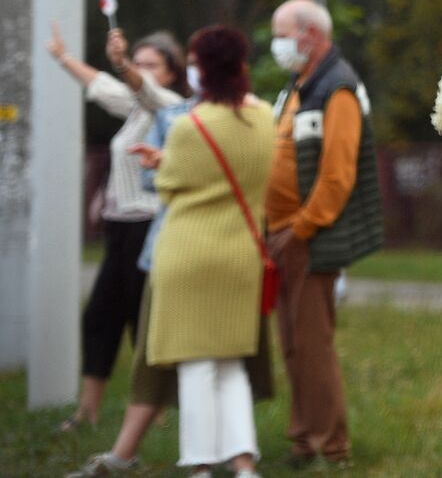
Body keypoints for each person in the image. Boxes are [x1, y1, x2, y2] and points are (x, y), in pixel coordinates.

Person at [146, 26, 274, 478]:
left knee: (196, 362)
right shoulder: (264, 120)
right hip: (241, 254)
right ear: (241, 66)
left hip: (189, 254)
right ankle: (243, 461)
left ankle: (200, 465)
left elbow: (167, 186)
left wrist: (160, 164)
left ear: (203, 69)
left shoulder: (188, 127)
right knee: (230, 358)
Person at [46, 24, 187, 431]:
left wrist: (124, 63)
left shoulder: (169, 105)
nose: (143, 70)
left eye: (151, 64)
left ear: (171, 73)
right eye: (139, 62)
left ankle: (156, 414)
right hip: (119, 229)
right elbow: (104, 86)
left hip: (149, 228)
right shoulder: (134, 108)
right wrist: (62, 57)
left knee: (143, 322)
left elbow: (140, 89)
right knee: (100, 317)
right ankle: (87, 413)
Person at [265, 0, 384, 469]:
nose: (276, 46)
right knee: (293, 344)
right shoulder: (301, 85)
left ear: (309, 35)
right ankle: (302, 438)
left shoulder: (337, 89)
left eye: (280, 35)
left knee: (312, 345)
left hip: (306, 238)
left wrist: (300, 227)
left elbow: (337, 176)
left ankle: (332, 447)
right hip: (283, 235)